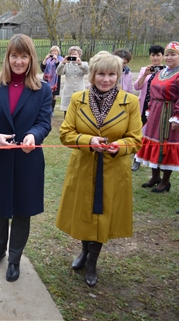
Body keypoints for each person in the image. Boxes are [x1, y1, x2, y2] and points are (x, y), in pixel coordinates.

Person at [56, 51, 142, 287]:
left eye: (112, 74)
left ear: (119, 74)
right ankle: (84, 252)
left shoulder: (130, 102)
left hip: (113, 171)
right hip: (84, 166)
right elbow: (66, 133)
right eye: (101, 74)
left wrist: (119, 146)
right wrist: (88, 141)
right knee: (85, 213)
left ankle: (93, 262)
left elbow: (135, 139)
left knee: (102, 215)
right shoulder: (77, 99)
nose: (106, 79)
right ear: (92, 75)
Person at [0, 34, 52, 282]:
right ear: (7, 58)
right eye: (14, 56)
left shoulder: (43, 90)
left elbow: (44, 123)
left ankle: (15, 258)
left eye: (24, 56)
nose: (19, 61)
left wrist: (33, 136)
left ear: (31, 59)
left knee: (21, 211)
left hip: (27, 161)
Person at [134, 41, 179, 192]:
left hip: (171, 113)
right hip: (156, 112)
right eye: (167, 54)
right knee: (154, 143)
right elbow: (151, 92)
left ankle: (165, 181)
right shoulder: (161, 72)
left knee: (167, 144)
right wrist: (150, 108)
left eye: (173, 55)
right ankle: (155, 176)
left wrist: (178, 116)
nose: (168, 57)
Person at [131, 45, 165, 171]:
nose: (155, 58)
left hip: (159, 108)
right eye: (153, 55)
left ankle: (157, 160)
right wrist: (145, 74)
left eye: (158, 55)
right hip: (144, 105)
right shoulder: (144, 69)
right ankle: (136, 159)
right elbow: (137, 87)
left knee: (157, 134)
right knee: (139, 132)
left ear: (162, 56)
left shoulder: (167, 70)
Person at [56, 46, 89, 118]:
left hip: (80, 91)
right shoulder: (66, 65)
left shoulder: (84, 64)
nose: (73, 56)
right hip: (68, 92)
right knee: (67, 113)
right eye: (71, 54)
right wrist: (62, 63)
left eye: (75, 54)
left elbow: (87, 71)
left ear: (79, 55)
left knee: (79, 113)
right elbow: (58, 72)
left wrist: (80, 64)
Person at [40, 45, 64, 116]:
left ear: (58, 52)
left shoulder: (60, 59)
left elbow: (59, 68)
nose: (54, 52)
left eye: (55, 51)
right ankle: (46, 109)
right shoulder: (48, 59)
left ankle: (52, 110)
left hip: (55, 80)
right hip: (47, 78)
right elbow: (42, 68)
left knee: (53, 95)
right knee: (46, 94)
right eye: (52, 51)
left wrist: (56, 60)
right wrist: (45, 59)